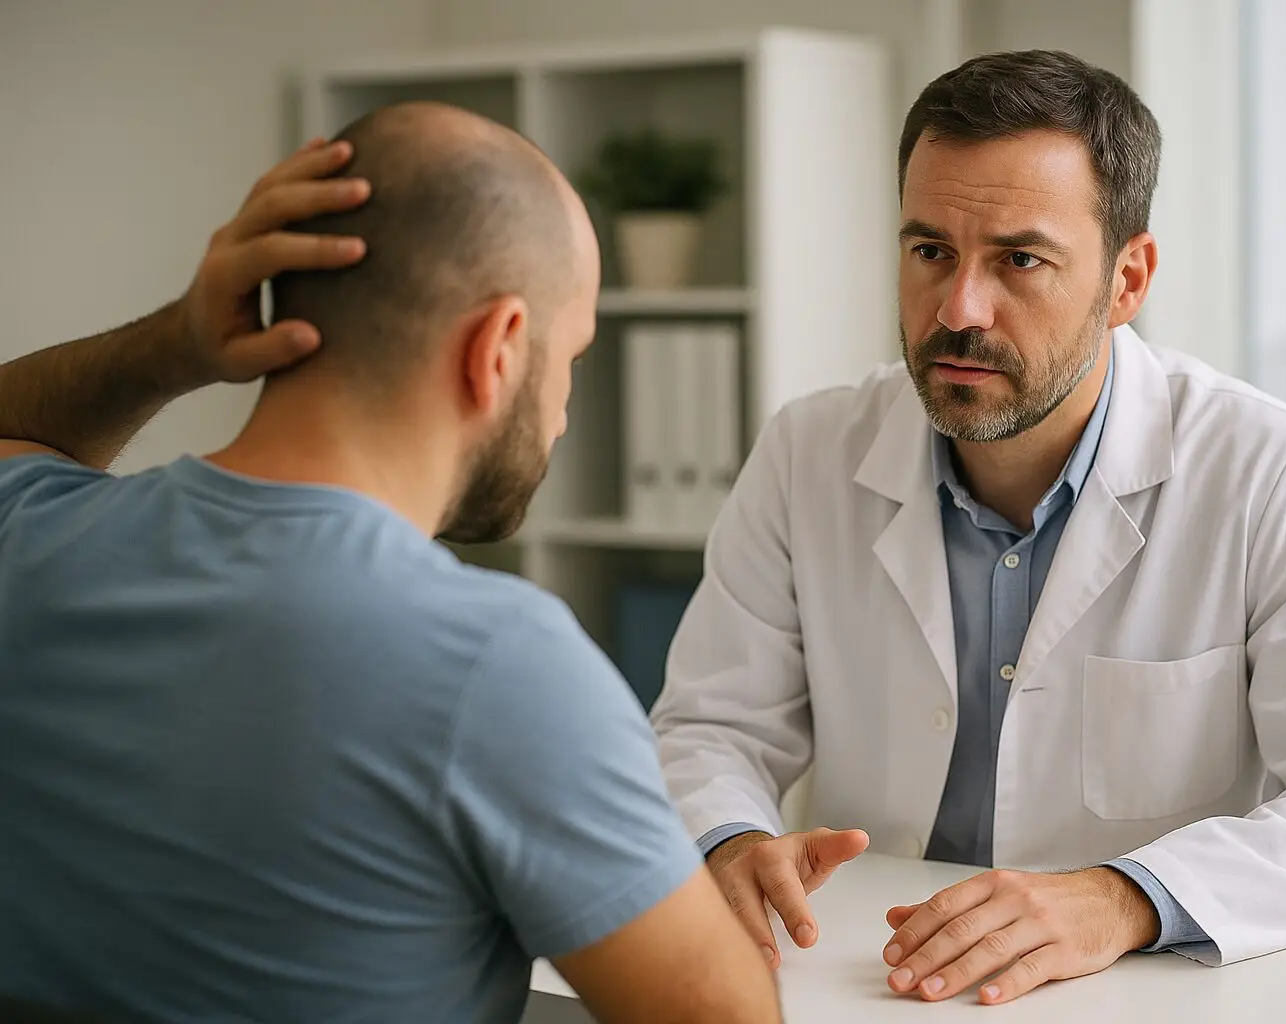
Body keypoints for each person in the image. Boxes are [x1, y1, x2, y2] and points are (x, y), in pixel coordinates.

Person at [650, 50, 1286, 1006]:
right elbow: (707, 727)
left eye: (1019, 260)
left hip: (1150, 993)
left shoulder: (1269, 470)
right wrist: (729, 839)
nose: (959, 310)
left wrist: (1124, 899)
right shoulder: (807, 452)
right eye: (929, 252)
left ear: (1128, 280)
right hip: (867, 982)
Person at [0, 103, 780, 1024]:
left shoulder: (32, 537)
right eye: (567, 359)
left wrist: (175, 343)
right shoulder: (500, 662)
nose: (564, 413)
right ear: (496, 349)